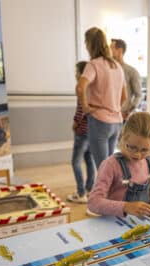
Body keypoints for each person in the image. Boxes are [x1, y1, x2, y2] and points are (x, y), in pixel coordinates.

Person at [87, 111, 150, 217]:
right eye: (132, 147)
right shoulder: (110, 165)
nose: (137, 155)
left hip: (145, 220)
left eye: (144, 150)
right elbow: (93, 202)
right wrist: (125, 207)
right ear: (124, 137)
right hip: (116, 222)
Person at [77, 27, 127, 169]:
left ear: (90, 44)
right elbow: (124, 97)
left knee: (103, 170)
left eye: (86, 42)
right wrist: (113, 107)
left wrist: (86, 107)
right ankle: (111, 191)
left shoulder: (93, 65)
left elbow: (80, 87)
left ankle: (103, 192)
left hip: (99, 122)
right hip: (116, 122)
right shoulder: (117, 66)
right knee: (109, 168)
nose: (85, 46)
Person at [67, 61, 96, 204]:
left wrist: (75, 122)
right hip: (91, 130)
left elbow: (81, 109)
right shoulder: (92, 87)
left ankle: (80, 193)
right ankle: (90, 189)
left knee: (75, 162)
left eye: (77, 71)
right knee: (89, 160)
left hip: (82, 131)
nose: (75, 73)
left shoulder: (81, 87)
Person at [110, 38, 142, 121]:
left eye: (111, 48)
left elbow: (138, 95)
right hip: (108, 117)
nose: (108, 51)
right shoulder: (107, 70)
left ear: (120, 51)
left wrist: (128, 112)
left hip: (123, 118)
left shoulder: (132, 71)